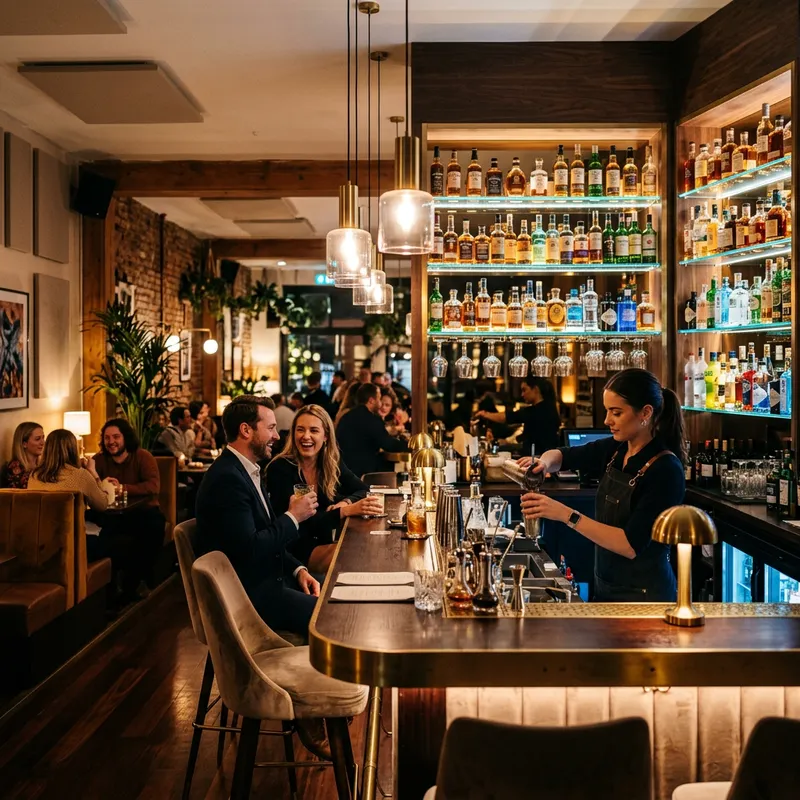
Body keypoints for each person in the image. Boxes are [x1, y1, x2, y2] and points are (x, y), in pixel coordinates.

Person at [520, 368, 685, 602]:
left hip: (646, 597)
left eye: (616, 412)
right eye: (607, 411)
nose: (607, 420)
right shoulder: (617, 448)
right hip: (607, 587)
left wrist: (565, 514)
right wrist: (544, 464)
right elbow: (563, 455)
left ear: (645, 413)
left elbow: (629, 545)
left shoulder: (665, 469)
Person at [195, 396, 320, 634]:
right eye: (271, 428)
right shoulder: (227, 479)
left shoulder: (247, 470)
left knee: (335, 591)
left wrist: (298, 570)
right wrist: (293, 517)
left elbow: (267, 536)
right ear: (246, 430)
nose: (276, 436)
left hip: (269, 581)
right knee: (334, 614)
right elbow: (251, 549)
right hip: (249, 598)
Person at [266, 404, 382, 572]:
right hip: (291, 550)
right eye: (300, 430)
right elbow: (304, 523)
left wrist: (346, 502)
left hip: (321, 541)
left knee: (366, 550)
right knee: (355, 556)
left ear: (326, 436)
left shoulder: (330, 463)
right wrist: (345, 511)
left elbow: (364, 490)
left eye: (314, 430)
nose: (306, 436)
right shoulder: (280, 468)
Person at [93, 419, 166, 599]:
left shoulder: (142, 456)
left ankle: (138, 582)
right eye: (107, 438)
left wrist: (122, 488)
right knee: (108, 536)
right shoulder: (98, 460)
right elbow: (90, 487)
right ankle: (113, 590)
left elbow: (153, 487)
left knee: (154, 525)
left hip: (143, 511)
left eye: (116, 437)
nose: (111, 442)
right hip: (112, 515)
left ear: (125, 437)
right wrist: (100, 482)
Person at [28, 430, 109, 561]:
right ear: (73, 449)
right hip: (73, 543)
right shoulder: (80, 475)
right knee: (118, 542)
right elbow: (103, 504)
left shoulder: (34, 475)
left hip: (42, 544)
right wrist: (93, 472)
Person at [476, 376, 561, 458]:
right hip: (541, 455)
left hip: (537, 457)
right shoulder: (548, 408)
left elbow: (508, 417)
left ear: (535, 389)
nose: (522, 394)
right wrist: (508, 441)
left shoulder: (538, 410)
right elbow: (532, 434)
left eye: (524, 390)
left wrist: (485, 414)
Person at [336, 382, 409, 478]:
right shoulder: (372, 420)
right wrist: (409, 445)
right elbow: (389, 445)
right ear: (371, 401)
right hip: (363, 474)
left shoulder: (346, 416)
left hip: (342, 471)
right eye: (379, 398)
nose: (380, 403)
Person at [2, 421, 45, 489]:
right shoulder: (12, 470)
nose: (43, 442)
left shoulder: (44, 466)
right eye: (37, 439)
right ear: (24, 444)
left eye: (43, 438)